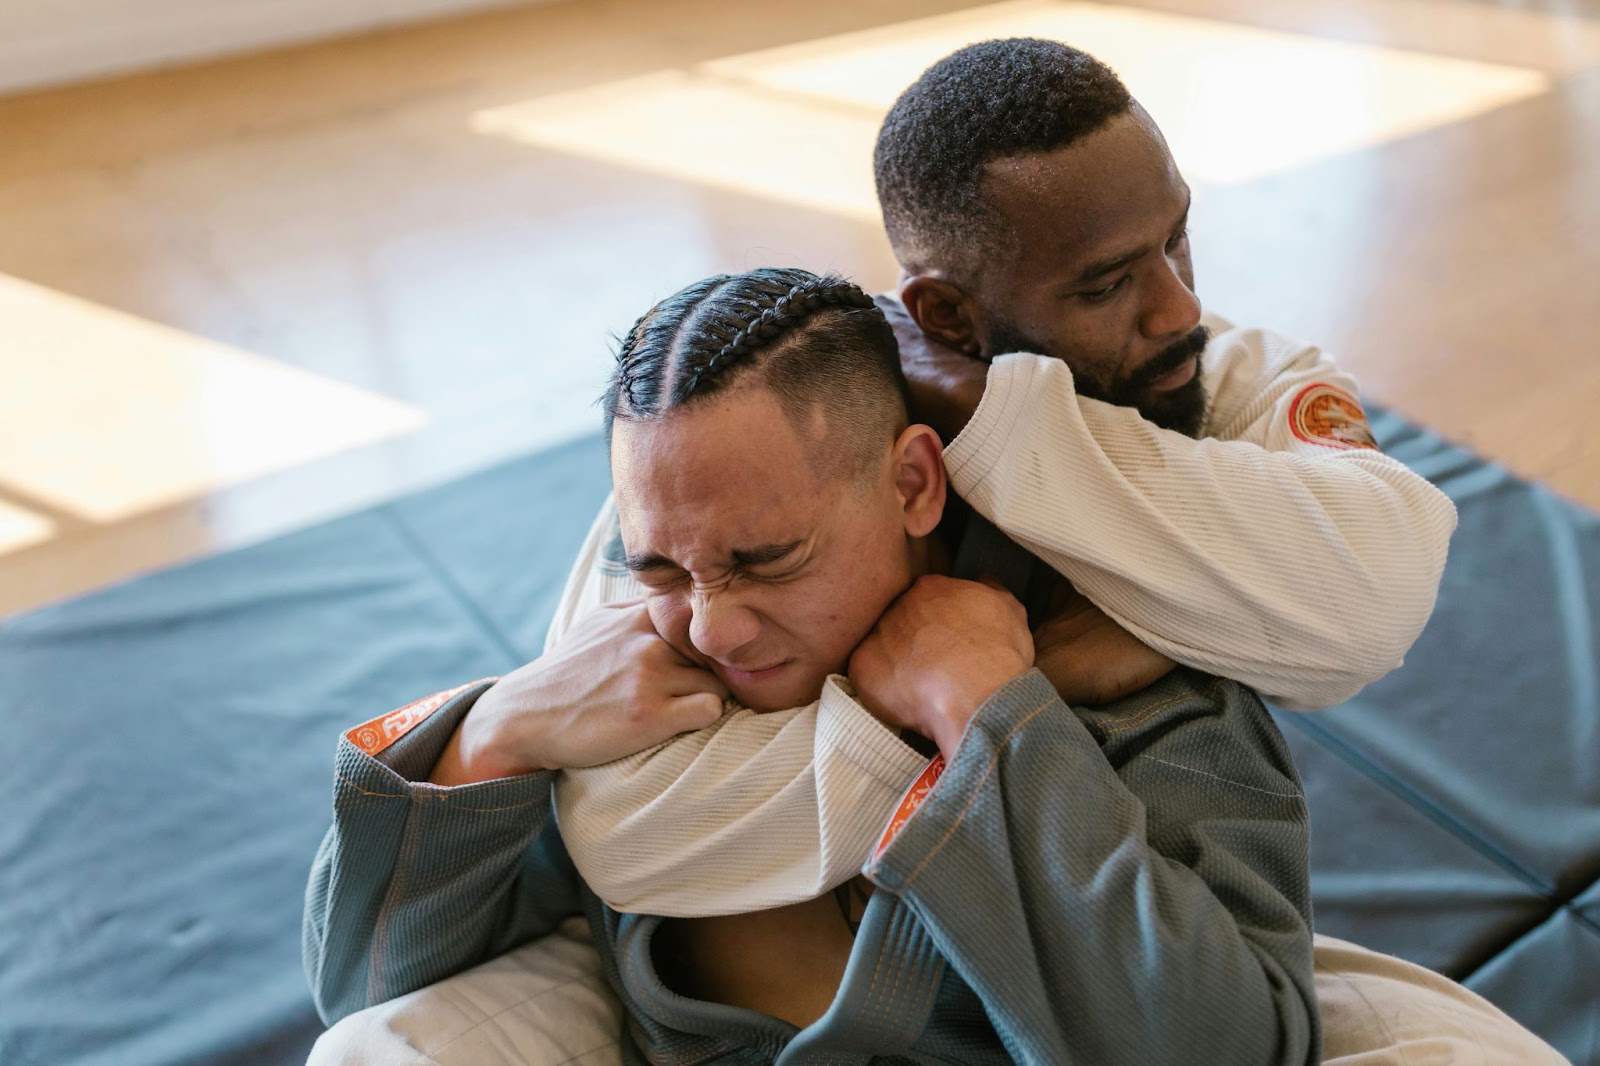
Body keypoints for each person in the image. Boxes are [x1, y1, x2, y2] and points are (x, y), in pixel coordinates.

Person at [305, 267, 1322, 1064]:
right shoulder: (632, 685)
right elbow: (365, 984)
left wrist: (992, 721)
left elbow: (1228, 1050)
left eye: (767, 560)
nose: (715, 629)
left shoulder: (1121, 668)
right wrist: (499, 732)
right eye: (661, 563)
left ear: (915, 483)